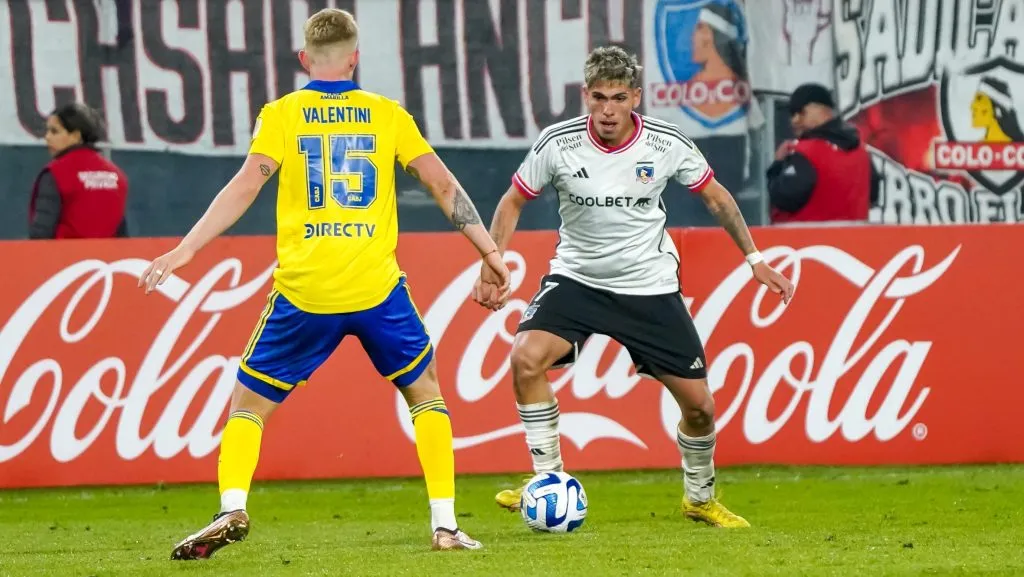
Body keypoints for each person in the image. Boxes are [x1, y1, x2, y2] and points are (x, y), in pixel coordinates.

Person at [139, 8, 508, 558]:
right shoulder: (387, 115)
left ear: (304, 59)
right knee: (425, 392)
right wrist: (490, 250)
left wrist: (186, 249)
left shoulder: (283, 114)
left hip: (304, 294)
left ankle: (232, 505)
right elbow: (441, 183)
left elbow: (245, 186)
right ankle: (446, 526)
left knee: (247, 406)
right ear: (355, 59)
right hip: (375, 289)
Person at [473, 46, 794, 528]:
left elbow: (716, 197)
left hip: (648, 287)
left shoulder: (666, 143)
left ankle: (699, 498)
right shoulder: (556, 143)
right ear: (585, 95)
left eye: (618, 98)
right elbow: (512, 201)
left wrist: (754, 258)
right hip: (576, 279)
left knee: (701, 408)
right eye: (598, 97)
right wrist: (491, 262)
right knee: (525, 359)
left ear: (635, 98)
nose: (606, 109)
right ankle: (547, 479)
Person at [766, 83, 878, 223]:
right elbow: (873, 196)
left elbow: (784, 197)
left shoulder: (804, 152)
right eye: (792, 114)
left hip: (806, 242)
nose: (794, 120)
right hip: (852, 241)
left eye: (801, 112)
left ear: (820, 109)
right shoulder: (861, 151)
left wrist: (777, 165)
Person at [29, 103, 128, 239]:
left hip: (64, 258)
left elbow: (41, 233)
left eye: (54, 131)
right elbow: (122, 235)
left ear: (75, 135)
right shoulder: (117, 176)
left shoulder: (56, 174)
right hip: (107, 259)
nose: (47, 137)